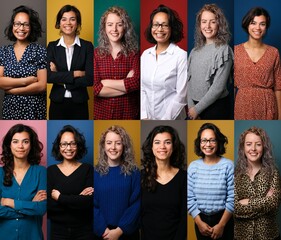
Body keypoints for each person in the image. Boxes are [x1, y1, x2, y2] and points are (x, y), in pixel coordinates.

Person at [188, 123, 234, 239]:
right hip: (200, 220)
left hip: (224, 219)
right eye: (204, 140)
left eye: (212, 140)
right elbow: (189, 197)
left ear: (218, 142)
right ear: (199, 143)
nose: (208, 144)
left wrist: (221, 225)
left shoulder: (228, 165)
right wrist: (199, 223)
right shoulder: (193, 167)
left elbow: (232, 198)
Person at [187, 4, 233, 120]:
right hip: (193, 107)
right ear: (199, 25)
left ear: (219, 24)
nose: (207, 26)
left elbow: (218, 87)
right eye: (204, 21)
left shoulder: (224, 50)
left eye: (212, 21)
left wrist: (196, 110)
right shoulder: (194, 51)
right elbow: (188, 81)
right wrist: (191, 107)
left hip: (216, 108)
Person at [141, 5, 188, 120]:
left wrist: (164, 120)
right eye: (156, 24)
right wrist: (144, 116)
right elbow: (142, 88)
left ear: (172, 28)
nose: (159, 29)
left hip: (173, 118)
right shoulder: (145, 55)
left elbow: (182, 95)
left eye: (165, 25)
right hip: (147, 118)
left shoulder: (181, 56)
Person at [0, 124, 46, 239]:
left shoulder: (41, 172)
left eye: (25, 141)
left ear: (31, 145)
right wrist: (30, 204)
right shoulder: (0, 173)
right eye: (15, 141)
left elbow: (41, 209)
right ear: (9, 145)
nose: (20, 146)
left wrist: (9, 202)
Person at [0, 5, 47, 120]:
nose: (21, 28)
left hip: (34, 109)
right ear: (12, 26)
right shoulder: (3, 51)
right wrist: (25, 80)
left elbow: (42, 85)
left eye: (26, 24)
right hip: (10, 110)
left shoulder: (39, 51)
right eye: (17, 24)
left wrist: (13, 90)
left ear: (31, 27)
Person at [47, 5, 93, 120]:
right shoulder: (52, 46)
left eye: (72, 19)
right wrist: (77, 73)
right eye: (64, 19)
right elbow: (47, 76)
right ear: (59, 23)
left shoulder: (87, 46)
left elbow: (90, 78)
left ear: (77, 23)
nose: (68, 23)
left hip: (80, 103)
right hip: (57, 102)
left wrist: (59, 76)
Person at [234, 126, 281, 240]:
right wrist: (265, 201)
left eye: (258, 144)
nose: (253, 148)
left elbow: (274, 204)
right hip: (241, 236)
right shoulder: (235, 174)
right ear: (243, 147)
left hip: (269, 235)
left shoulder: (273, 172)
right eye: (249, 144)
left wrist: (246, 202)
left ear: (264, 147)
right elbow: (234, 208)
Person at [94, 125, 140, 240]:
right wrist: (103, 230)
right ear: (103, 146)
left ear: (124, 146)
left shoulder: (134, 172)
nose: (113, 147)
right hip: (102, 233)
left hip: (127, 233)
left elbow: (137, 204)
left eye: (118, 143)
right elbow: (91, 204)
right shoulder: (94, 173)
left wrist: (119, 231)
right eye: (109, 143)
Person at [47, 125, 93, 239]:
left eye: (73, 143)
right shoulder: (51, 171)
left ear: (78, 145)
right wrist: (77, 199)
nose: (68, 148)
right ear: (59, 146)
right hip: (58, 232)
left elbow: (88, 203)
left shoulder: (88, 169)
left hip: (84, 231)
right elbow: (49, 206)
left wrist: (59, 197)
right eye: (64, 144)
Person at [234, 7, 281, 120]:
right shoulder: (235, 51)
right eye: (253, 23)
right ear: (247, 25)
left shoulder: (273, 52)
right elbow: (232, 86)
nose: (257, 28)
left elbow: (278, 87)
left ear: (266, 27)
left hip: (268, 105)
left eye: (262, 24)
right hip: (243, 106)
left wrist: (280, 116)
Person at [94, 6, 140, 120]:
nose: (114, 29)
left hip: (128, 115)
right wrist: (126, 86)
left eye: (119, 24)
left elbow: (136, 83)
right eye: (110, 24)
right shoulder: (95, 54)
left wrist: (105, 82)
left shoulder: (134, 54)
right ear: (104, 28)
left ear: (125, 27)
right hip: (101, 115)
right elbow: (95, 89)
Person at [141, 125, 186, 240]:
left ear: (173, 146)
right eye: (157, 142)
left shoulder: (183, 178)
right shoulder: (141, 176)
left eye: (167, 142)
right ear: (151, 147)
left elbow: (184, 218)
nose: (162, 147)